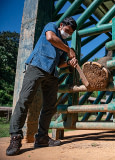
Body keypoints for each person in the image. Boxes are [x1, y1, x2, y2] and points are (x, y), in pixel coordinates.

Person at [6, 17, 78, 156]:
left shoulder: (64, 43)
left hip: (52, 73)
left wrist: (69, 63)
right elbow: (50, 38)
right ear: (61, 25)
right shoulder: (51, 26)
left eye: (70, 33)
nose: (67, 34)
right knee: (25, 100)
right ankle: (15, 137)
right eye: (67, 30)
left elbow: (60, 63)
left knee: (50, 106)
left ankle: (42, 138)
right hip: (37, 66)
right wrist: (69, 50)